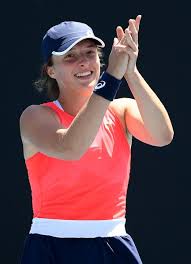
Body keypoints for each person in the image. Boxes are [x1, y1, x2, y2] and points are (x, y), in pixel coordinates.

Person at [19, 16, 174, 264]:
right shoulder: (36, 116)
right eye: (70, 56)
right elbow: (71, 148)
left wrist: (130, 72)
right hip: (50, 247)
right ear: (51, 70)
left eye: (90, 53)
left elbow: (163, 136)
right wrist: (112, 78)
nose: (83, 62)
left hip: (114, 245)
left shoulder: (122, 111)